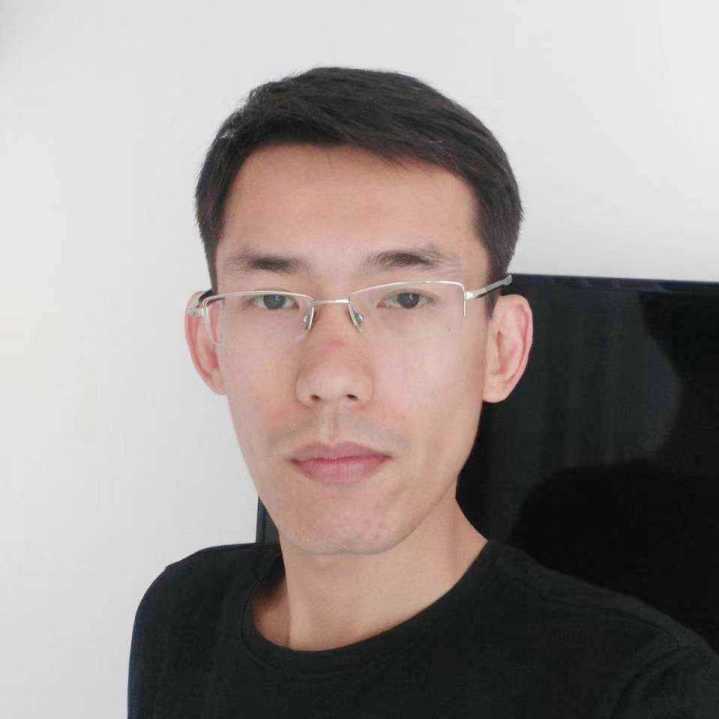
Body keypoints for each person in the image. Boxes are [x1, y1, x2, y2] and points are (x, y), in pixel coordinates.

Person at [128, 66, 719, 717]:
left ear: (502, 348)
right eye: (273, 299)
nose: (331, 377)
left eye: (406, 298)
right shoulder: (184, 614)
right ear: (209, 343)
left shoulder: (645, 692)